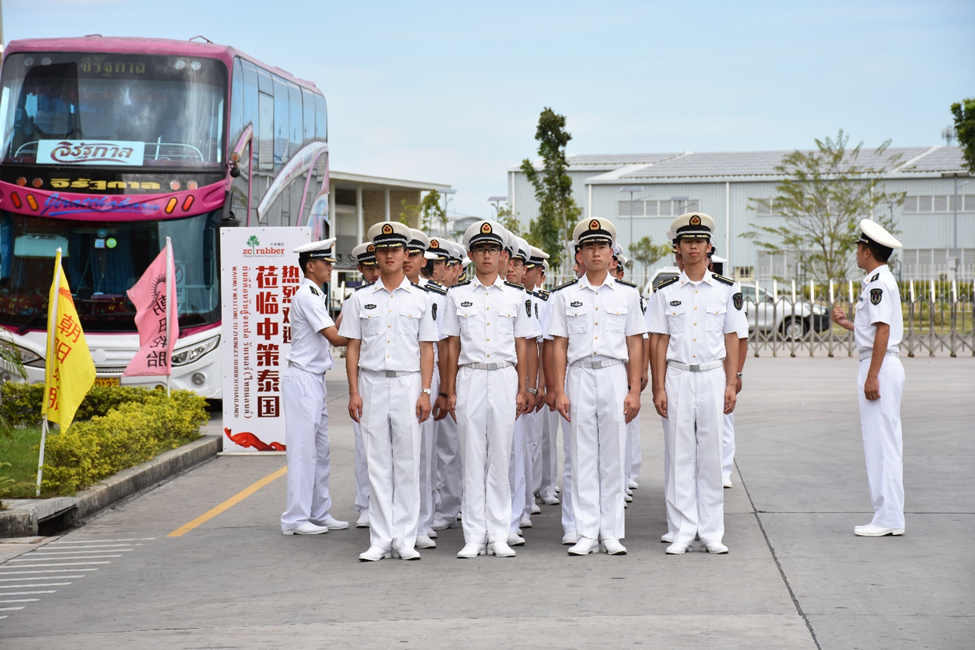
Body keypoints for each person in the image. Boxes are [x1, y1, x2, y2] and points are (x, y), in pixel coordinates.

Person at [339, 221, 438, 562]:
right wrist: (353, 391)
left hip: (408, 382)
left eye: (396, 250)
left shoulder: (422, 300)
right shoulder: (360, 299)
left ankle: (406, 538)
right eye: (383, 251)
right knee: (377, 462)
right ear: (376, 257)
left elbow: (427, 349)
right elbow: (352, 347)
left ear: (405, 254)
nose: (390, 256)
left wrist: (425, 391)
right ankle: (381, 538)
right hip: (372, 383)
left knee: (408, 462)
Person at [549, 218, 648, 556]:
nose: (595, 252)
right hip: (578, 375)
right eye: (589, 247)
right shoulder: (563, 296)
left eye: (601, 247)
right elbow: (558, 345)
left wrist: (634, 389)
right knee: (581, 456)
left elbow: (635, 344)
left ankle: (611, 532)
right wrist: (559, 389)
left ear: (611, 253)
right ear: (579, 254)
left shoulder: (628, 295)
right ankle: (586, 531)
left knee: (613, 455)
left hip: (612, 374)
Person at [649, 213, 746, 555]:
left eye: (699, 241)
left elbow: (732, 338)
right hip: (676, 375)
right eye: (686, 241)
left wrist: (732, 382)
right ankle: (681, 530)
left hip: (710, 375)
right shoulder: (664, 292)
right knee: (679, 455)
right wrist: (658, 386)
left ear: (709, 248)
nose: (693, 246)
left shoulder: (726, 290)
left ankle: (711, 531)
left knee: (710, 454)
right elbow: (658, 341)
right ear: (677, 248)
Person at [440, 220, 537, 558]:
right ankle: (473, 534)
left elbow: (522, 345)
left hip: (503, 376)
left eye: (492, 250)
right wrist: (448, 389)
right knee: (471, 456)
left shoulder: (516, 296)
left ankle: (498, 532)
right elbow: (451, 345)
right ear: (470, 255)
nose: (486, 256)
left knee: (500, 456)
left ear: (502, 256)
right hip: (470, 377)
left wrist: (525, 387)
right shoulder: (457, 295)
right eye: (480, 250)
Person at [830, 219, 906, 537]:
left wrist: (872, 375)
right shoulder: (877, 281)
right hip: (879, 363)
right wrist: (848, 323)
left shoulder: (877, 284)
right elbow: (872, 329)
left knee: (881, 444)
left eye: (858, 248)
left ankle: (888, 517)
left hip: (880, 367)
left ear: (866, 250)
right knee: (881, 441)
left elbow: (884, 331)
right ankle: (887, 514)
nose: (856, 254)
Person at [280, 238, 350, 536]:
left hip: (314, 380)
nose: (331, 267)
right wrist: (369, 329)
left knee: (320, 451)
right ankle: (295, 519)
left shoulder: (314, 294)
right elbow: (336, 338)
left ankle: (318, 512)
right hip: (303, 380)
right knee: (303, 451)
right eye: (326, 263)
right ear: (311, 266)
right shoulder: (307, 296)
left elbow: (333, 331)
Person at [347, 242, 382, 528]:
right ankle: (365, 504)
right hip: (366, 381)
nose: (374, 272)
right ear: (360, 269)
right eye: (368, 267)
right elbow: (349, 342)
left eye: (376, 266)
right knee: (365, 449)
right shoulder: (356, 299)